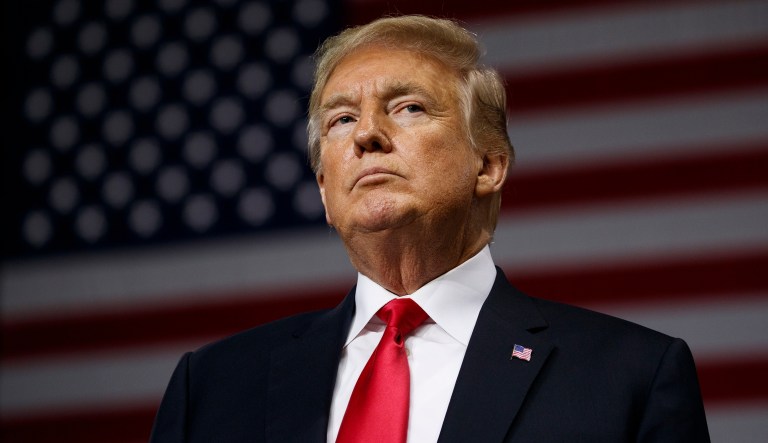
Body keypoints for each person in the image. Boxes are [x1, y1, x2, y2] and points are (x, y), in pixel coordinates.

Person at [150, 15, 710, 442]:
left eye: (409, 108)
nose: (366, 134)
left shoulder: (630, 379)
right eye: (341, 119)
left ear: (488, 166)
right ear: (324, 189)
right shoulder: (212, 387)